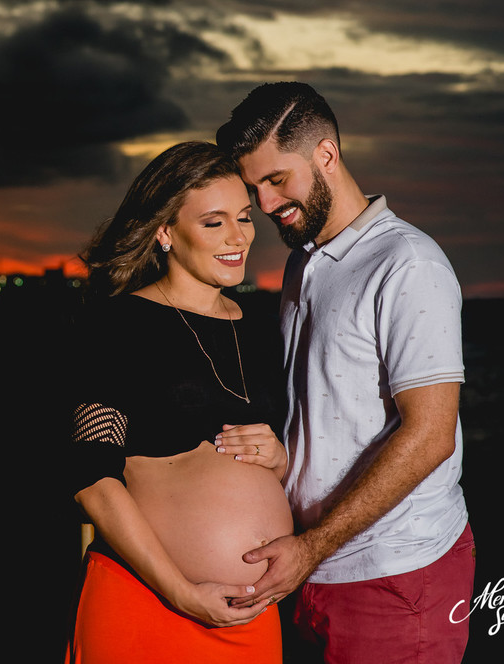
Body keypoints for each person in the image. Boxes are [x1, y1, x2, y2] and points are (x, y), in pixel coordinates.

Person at [215, 82, 475, 663]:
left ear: (326, 155)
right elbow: (326, 413)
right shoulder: (301, 263)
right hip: (312, 571)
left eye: (277, 179)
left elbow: (430, 436)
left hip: (395, 573)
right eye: (254, 187)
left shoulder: (407, 263)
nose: (264, 202)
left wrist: (312, 546)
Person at [66, 141, 293, 664]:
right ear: (166, 232)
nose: (239, 238)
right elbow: (91, 478)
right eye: (214, 223)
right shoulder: (118, 325)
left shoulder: (261, 328)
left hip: (253, 615)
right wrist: (181, 593)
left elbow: (279, 460)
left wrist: (279, 458)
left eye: (243, 217)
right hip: (150, 603)